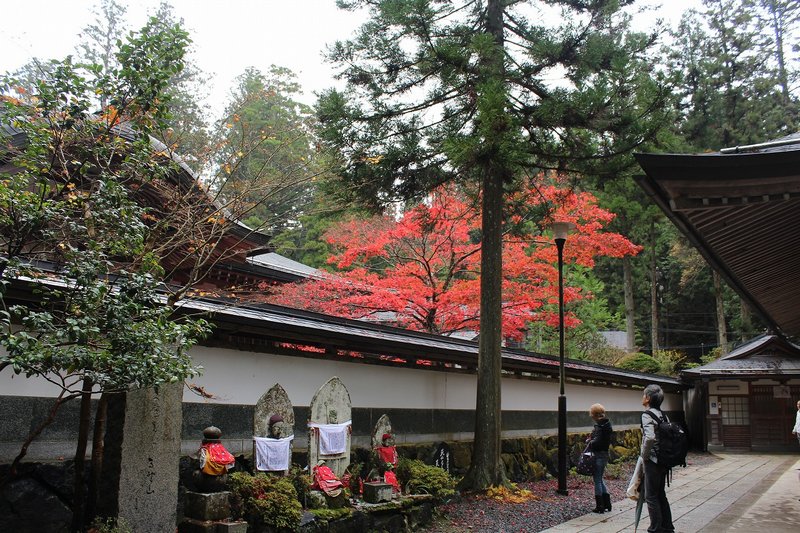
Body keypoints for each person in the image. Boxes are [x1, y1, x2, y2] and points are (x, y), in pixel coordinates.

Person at [641, 384, 674, 533]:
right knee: (661, 494)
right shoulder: (664, 415)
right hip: (664, 459)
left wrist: (644, 456)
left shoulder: (647, 415)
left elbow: (649, 437)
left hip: (653, 460)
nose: (643, 397)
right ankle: (667, 527)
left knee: (651, 496)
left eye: (644, 395)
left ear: (648, 398)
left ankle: (655, 528)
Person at [587, 403, 613, 513]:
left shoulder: (600, 426)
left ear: (594, 414)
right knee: (600, 478)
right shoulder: (607, 424)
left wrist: (590, 442)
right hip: (605, 454)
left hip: (598, 454)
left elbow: (597, 441)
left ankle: (600, 506)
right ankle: (607, 504)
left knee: (597, 480)